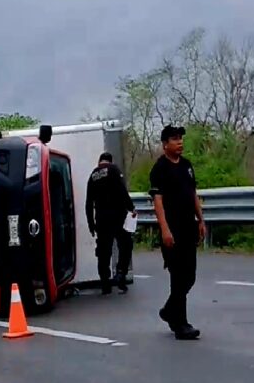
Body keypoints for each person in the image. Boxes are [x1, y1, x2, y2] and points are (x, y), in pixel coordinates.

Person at [149, 124, 204, 340]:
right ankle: (181, 324)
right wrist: (165, 229)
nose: (179, 142)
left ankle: (169, 311)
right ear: (165, 144)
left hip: (188, 226)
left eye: (180, 138)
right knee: (178, 276)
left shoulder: (187, 166)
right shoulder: (160, 168)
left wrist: (201, 220)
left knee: (189, 276)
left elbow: (193, 194)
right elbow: (158, 201)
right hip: (172, 229)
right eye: (174, 139)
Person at [85, 152, 136, 295]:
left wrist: (91, 223)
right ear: (110, 161)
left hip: (102, 220)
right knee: (125, 245)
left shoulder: (93, 176)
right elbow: (122, 191)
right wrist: (131, 208)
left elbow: (89, 203)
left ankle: (105, 283)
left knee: (103, 252)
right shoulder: (114, 170)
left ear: (99, 161)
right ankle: (121, 273)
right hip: (118, 217)